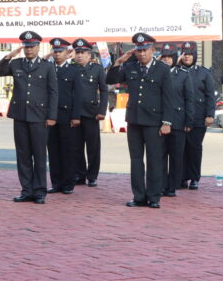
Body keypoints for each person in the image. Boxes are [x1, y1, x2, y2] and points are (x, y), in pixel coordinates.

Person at [106, 33, 174, 209]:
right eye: (139, 50)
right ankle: (138, 196)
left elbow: (168, 98)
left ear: (152, 50)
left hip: (154, 121)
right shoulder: (130, 67)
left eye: (145, 50)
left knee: (154, 159)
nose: (142, 54)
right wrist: (118, 62)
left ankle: (153, 197)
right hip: (134, 120)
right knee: (136, 159)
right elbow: (110, 80)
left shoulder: (162, 69)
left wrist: (167, 122)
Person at [0, 31, 57, 204]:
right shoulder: (16, 63)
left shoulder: (47, 66)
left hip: (39, 116)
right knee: (23, 155)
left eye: (32, 46)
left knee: (39, 155)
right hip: (20, 115)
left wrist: (51, 116)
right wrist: (9, 56)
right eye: (26, 46)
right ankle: (26, 190)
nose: (29, 50)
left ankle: (40, 191)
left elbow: (53, 92)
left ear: (38, 47)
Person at [47, 38, 83, 195]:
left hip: (67, 115)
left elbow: (79, 95)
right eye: (54, 51)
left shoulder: (74, 70)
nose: (56, 54)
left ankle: (68, 183)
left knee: (67, 150)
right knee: (53, 151)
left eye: (59, 51)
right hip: (50, 115)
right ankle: (56, 182)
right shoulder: (47, 68)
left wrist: (76, 116)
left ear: (67, 52)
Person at [158, 43, 194, 197]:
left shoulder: (183, 74)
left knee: (176, 155)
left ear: (175, 57)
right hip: (159, 121)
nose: (166, 60)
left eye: (169, 57)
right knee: (159, 155)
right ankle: (161, 184)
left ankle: (172, 186)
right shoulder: (155, 73)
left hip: (178, 121)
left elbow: (189, 99)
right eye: (164, 56)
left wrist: (189, 121)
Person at [72, 38, 108, 187]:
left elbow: (104, 91)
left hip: (92, 113)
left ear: (89, 54)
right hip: (75, 113)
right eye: (77, 53)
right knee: (76, 146)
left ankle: (92, 175)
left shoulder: (97, 69)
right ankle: (79, 174)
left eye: (83, 53)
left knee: (93, 146)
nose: (79, 55)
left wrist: (102, 110)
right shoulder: (71, 68)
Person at [181, 41, 214, 190]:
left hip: (199, 116)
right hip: (180, 116)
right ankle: (181, 177)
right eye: (184, 54)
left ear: (194, 55)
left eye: (189, 54)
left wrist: (209, 114)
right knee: (180, 148)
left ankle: (194, 178)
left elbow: (210, 95)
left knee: (194, 148)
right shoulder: (176, 71)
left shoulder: (204, 73)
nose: (186, 57)